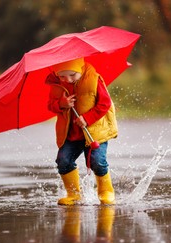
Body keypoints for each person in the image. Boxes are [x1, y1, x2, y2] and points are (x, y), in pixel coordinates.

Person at [46, 58, 118, 205]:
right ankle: (73, 194)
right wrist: (61, 104)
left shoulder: (94, 79)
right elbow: (50, 105)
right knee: (63, 160)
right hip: (71, 134)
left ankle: (106, 191)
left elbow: (105, 103)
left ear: (80, 68)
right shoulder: (56, 85)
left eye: (72, 75)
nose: (68, 79)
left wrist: (88, 118)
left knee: (97, 161)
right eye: (62, 76)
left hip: (94, 131)